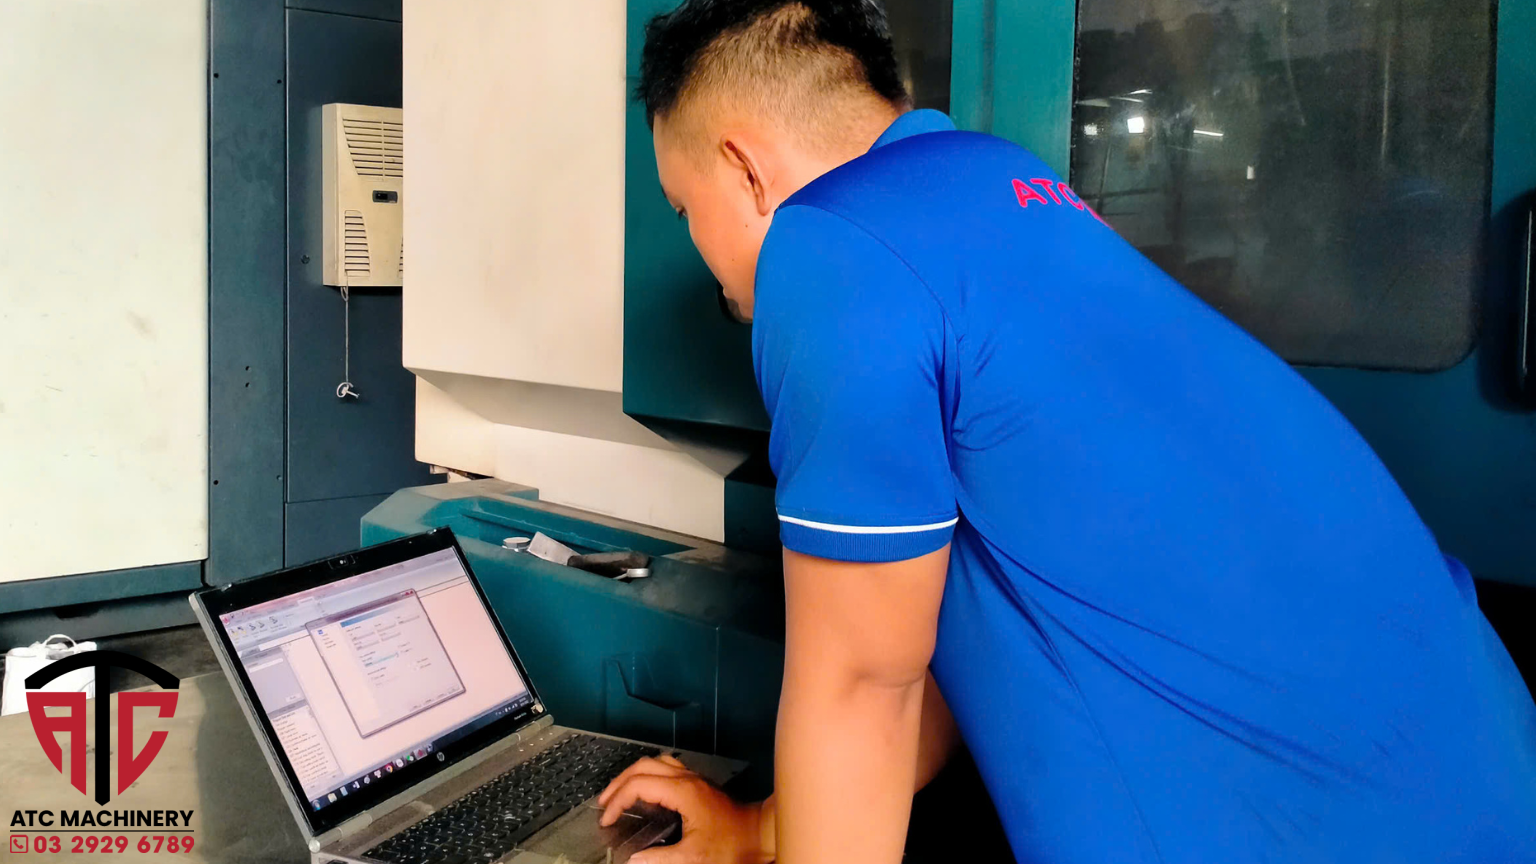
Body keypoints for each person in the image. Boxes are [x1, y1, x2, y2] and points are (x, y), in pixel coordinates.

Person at [596, 1, 1536, 862]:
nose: (702, 252)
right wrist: (765, 832)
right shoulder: (1001, 183)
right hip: (1478, 769)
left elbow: (862, 688)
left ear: (746, 169)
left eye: (686, 209)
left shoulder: (827, 244)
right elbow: (927, 631)